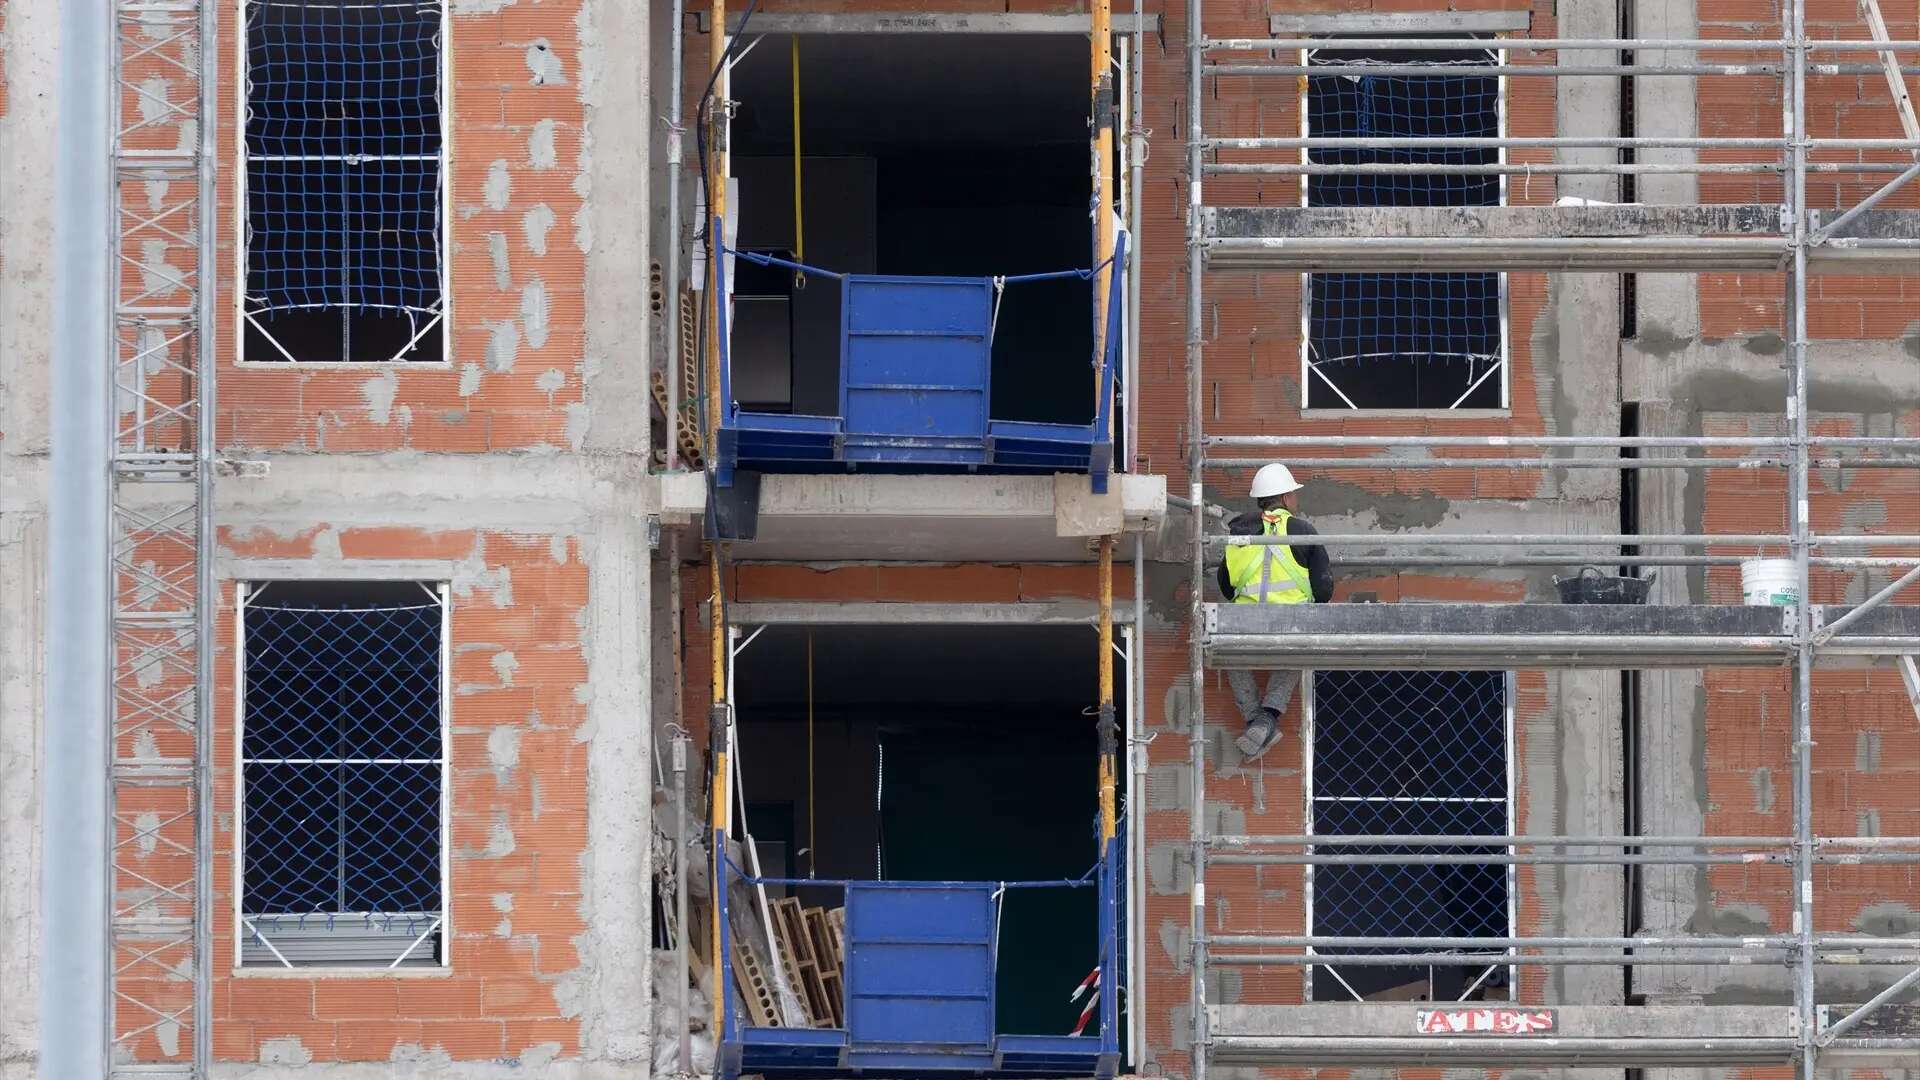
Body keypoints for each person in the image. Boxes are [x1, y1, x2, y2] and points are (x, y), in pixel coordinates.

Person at [1216, 463, 1333, 760]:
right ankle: (1268, 715)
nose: (1296, 500)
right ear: (1284, 498)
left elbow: (1226, 587)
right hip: (1288, 621)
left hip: (1244, 623)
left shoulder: (1238, 534)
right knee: (1297, 647)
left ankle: (1255, 719)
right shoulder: (1302, 530)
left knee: (1229, 652)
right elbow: (1323, 589)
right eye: (1294, 494)